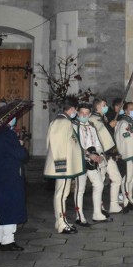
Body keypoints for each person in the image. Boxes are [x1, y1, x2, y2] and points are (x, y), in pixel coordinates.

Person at [0, 114, 29, 251]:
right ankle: (8, 241)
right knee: (11, 207)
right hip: (9, 176)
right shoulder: (7, 135)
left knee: (1, 207)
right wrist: (21, 146)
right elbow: (21, 154)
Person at [43, 97, 84, 234]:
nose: (76, 113)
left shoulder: (63, 121)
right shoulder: (62, 122)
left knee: (62, 193)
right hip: (63, 166)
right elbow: (57, 146)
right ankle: (61, 223)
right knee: (61, 194)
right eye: (76, 110)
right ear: (72, 109)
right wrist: (62, 167)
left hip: (64, 165)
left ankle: (61, 221)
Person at [74, 103, 110, 225]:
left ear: (89, 114)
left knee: (99, 184)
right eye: (81, 113)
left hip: (92, 162)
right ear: (78, 113)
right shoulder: (74, 126)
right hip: (80, 161)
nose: (84, 115)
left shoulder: (92, 127)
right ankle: (80, 216)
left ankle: (97, 213)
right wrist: (88, 155)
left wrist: (99, 155)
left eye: (86, 113)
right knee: (80, 189)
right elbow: (75, 145)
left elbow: (98, 144)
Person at [90, 98, 123, 214]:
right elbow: (98, 134)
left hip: (109, 154)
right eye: (104, 105)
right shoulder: (92, 119)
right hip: (101, 155)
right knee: (101, 180)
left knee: (117, 178)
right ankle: (99, 208)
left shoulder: (103, 118)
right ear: (98, 106)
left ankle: (114, 205)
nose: (106, 107)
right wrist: (109, 126)